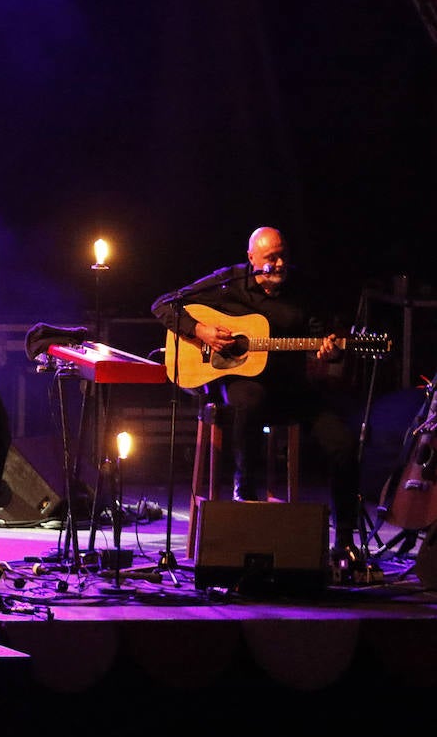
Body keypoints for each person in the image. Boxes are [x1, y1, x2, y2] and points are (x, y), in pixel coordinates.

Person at [151, 226, 362, 565]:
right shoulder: (228, 283)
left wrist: (331, 351)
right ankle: (244, 490)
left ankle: (345, 541)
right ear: (251, 259)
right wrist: (200, 329)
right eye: (270, 258)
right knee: (249, 398)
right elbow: (163, 305)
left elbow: (322, 338)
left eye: (283, 256)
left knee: (343, 443)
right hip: (240, 386)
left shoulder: (303, 290)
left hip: (291, 388)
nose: (279, 264)